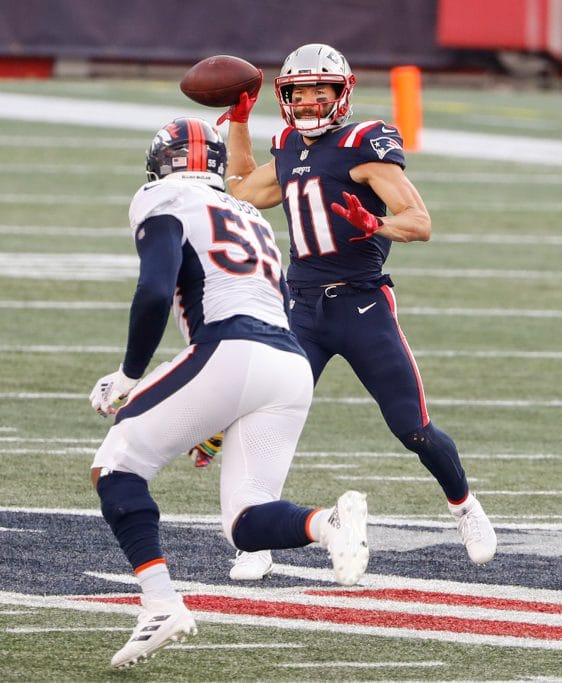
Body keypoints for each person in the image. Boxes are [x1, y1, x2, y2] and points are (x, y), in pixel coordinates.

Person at [88, 116, 369, 668]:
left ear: (159, 164)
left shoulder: (162, 196)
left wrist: (127, 375)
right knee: (246, 518)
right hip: (288, 363)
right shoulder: (249, 215)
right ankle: (327, 524)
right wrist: (215, 413)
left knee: (116, 468)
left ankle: (160, 604)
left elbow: (154, 291)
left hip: (230, 348)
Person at [212, 43, 496, 580]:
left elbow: (420, 222)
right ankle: (258, 536)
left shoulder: (363, 145)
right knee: (264, 422)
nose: (309, 101)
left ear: (341, 94)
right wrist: (241, 124)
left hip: (362, 305)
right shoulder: (288, 144)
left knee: (412, 427)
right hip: (301, 309)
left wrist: (377, 224)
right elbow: (244, 191)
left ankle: (465, 507)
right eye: (299, 92)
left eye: (320, 90)